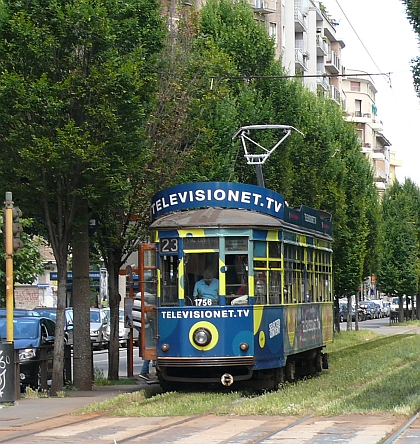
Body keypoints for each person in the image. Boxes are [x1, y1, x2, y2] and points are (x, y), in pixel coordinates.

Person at [133, 292, 152, 381]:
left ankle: (146, 371)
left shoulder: (138, 294)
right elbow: (149, 313)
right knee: (150, 344)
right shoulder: (149, 296)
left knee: (149, 343)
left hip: (136, 322)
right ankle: (144, 371)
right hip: (143, 323)